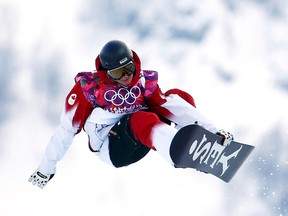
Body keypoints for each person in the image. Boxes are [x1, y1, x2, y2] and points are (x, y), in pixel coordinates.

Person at [29, 40, 233, 188]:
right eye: (118, 73)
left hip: (145, 135)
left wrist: (213, 130)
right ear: (106, 73)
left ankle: (198, 144)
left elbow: (172, 107)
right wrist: (45, 169)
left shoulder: (143, 82)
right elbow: (66, 130)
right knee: (141, 118)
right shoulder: (87, 90)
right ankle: (179, 150)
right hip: (114, 147)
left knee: (177, 96)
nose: (126, 77)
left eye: (128, 69)